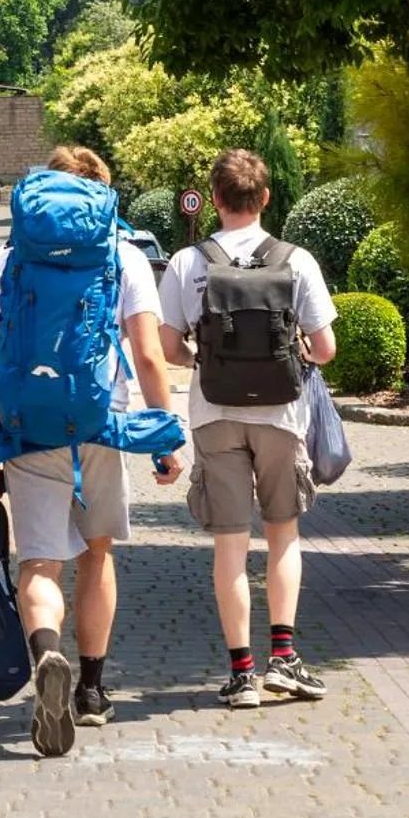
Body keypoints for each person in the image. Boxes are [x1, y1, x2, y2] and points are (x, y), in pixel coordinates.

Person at [0, 146, 182, 755]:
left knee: (38, 562)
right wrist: (164, 439)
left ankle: (47, 656)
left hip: (29, 427)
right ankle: (90, 690)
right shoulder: (125, 255)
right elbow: (147, 357)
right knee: (97, 553)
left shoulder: (8, 259)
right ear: (102, 196)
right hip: (102, 422)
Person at [158, 150, 339, 709]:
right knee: (282, 533)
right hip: (282, 416)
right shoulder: (297, 260)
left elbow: (168, 347)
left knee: (230, 546)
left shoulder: (190, 262)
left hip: (214, 414)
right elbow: (327, 350)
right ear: (265, 198)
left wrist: (205, 359)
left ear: (214, 199)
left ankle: (241, 675)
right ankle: (283, 660)